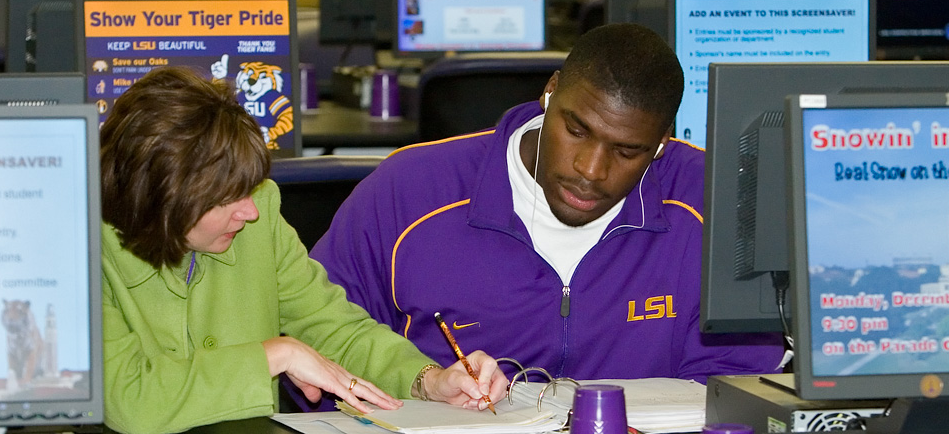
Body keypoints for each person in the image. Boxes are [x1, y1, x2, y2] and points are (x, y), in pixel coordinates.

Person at [310, 23, 784, 384]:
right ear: (550, 92)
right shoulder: (410, 190)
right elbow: (318, 342)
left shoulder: (714, 203)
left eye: (627, 151)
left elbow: (733, 383)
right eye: (576, 130)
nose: (591, 169)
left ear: (662, 143)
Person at [100, 67, 508, 434]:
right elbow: (130, 400)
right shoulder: (82, 249)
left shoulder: (258, 217)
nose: (251, 211)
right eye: (226, 198)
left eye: (249, 189)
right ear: (163, 199)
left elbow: (335, 328)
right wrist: (275, 355)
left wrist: (428, 380)